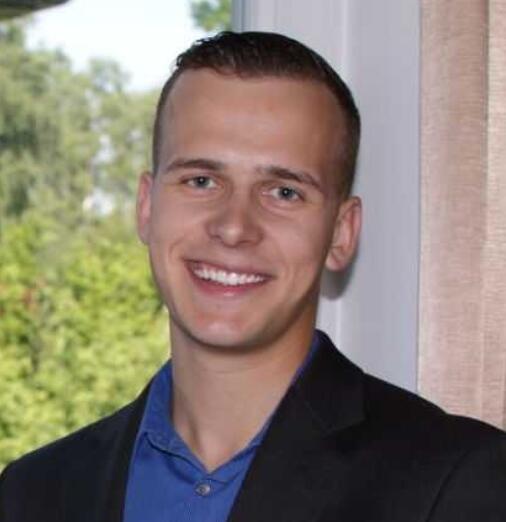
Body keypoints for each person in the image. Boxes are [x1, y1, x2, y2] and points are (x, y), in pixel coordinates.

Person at [0, 31, 505, 522]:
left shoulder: (456, 484)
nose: (234, 227)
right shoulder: (30, 493)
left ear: (341, 232)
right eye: (201, 180)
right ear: (147, 208)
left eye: (284, 192)